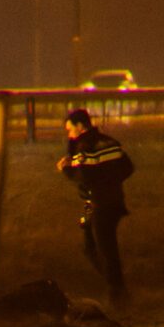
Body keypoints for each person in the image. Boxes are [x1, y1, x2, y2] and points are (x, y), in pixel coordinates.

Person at [57, 106, 133, 308]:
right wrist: (110, 180)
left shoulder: (85, 146)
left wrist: (66, 168)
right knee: (97, 246)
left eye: (70, 129)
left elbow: (83, 176)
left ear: (80, 126)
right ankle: (117, 285)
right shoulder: (109, 142)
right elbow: (128, 167)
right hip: (114, 200)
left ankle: (117, 291)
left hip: (100, 203)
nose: (69, 134)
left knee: (100, 249)